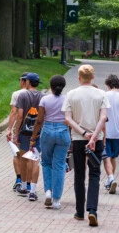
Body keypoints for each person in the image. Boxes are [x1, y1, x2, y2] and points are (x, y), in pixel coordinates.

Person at [62, 64, 110, 227]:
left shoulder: (72, 94)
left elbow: (68, 119)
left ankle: (79, 211)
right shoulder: (101, 94)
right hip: (96, 139)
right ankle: (92, 210)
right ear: (93, 77)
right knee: (95, 174)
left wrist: (83, 134)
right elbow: (103, 118)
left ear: (79, 78)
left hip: (78, 139)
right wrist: (94, 136)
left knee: (79, 175)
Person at [30, 75, 71, 209]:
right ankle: (57, 199)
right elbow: (70, 120)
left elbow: (39, 120)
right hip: (63, 131)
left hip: (47, 130)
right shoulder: (67, 100)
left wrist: (33, 137)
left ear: (51, 86)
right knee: (59, 164)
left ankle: (48, 191)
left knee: (46, 162)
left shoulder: (45, 99)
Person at [14, 73, 44, 201]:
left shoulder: (23, 95)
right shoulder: (43, 96)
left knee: (24, 158)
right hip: (38, 132)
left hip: (24, 132)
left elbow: (20, 115)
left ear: (27, 82)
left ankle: (24, 186)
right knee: (35, 160)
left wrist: (16, 132)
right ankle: (33, 190)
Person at [6, 72, 32, 192]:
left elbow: (14, 113)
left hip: (21, 128)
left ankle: (19, 179)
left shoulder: (17, 94)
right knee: (30, 156)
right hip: (33, 128)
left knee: (17, 154)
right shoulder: (37, 94)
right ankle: (29, 183)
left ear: (23, 81)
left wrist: (10, 129)